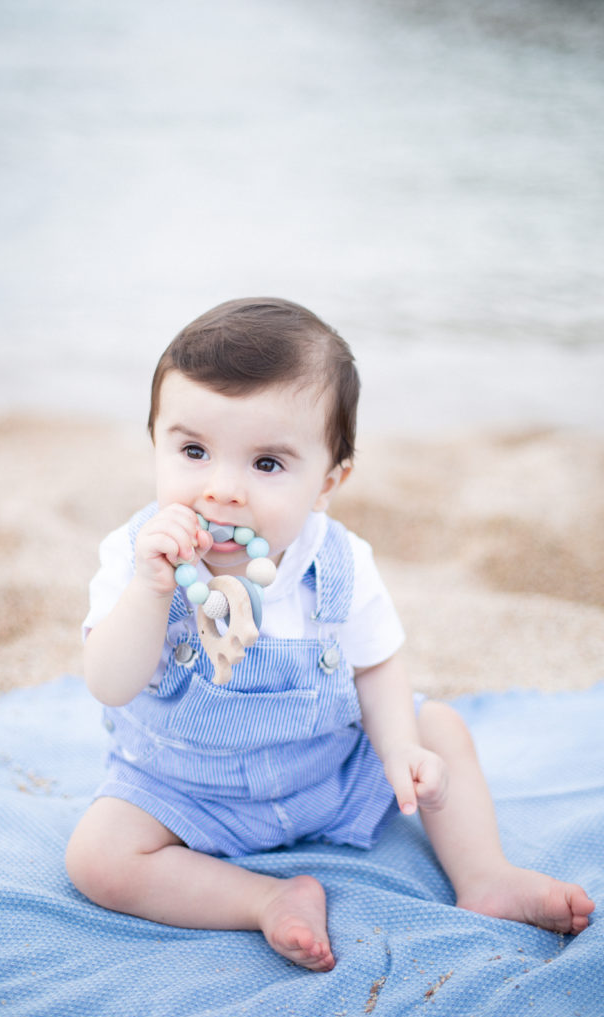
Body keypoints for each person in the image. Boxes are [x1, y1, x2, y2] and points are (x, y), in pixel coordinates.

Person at [66, 297, 595, 972]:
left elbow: (376, 666)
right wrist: (150, 590)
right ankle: (265, 899)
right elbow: (109, 683)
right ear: (156, 447)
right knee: (97, 857)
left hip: (328, 775)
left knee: (441, 728)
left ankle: (486, 875)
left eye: (267, 464)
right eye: (194, 451)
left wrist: (400, 748)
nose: (222, 490)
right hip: (186, 791)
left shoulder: (338, 562)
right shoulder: (137, 555)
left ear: (327, 483)